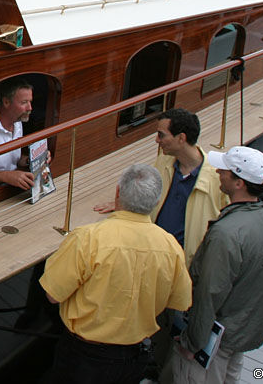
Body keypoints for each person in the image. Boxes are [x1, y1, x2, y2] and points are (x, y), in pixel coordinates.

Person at [40, 164, 192, 384]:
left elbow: (52, 295)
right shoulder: (171, 247)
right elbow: (179, 301)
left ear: (118, 192)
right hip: (135, 357)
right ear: (156, 201)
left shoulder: (88, 238)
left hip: (85, 356)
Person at [166, 146, 263, 384]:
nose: (218, 171)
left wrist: (193, 343)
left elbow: (209, 292)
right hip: (242, 333)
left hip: (215, 342)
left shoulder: (225, 233)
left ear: (239, 183)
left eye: (225, 170)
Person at [95, 108, 227, 263]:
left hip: (186, 265)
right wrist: (127, 202)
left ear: (181, 138)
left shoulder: (218, 179)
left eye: (161, 135)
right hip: (152, 255)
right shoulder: (162, 162)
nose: (157, 140)